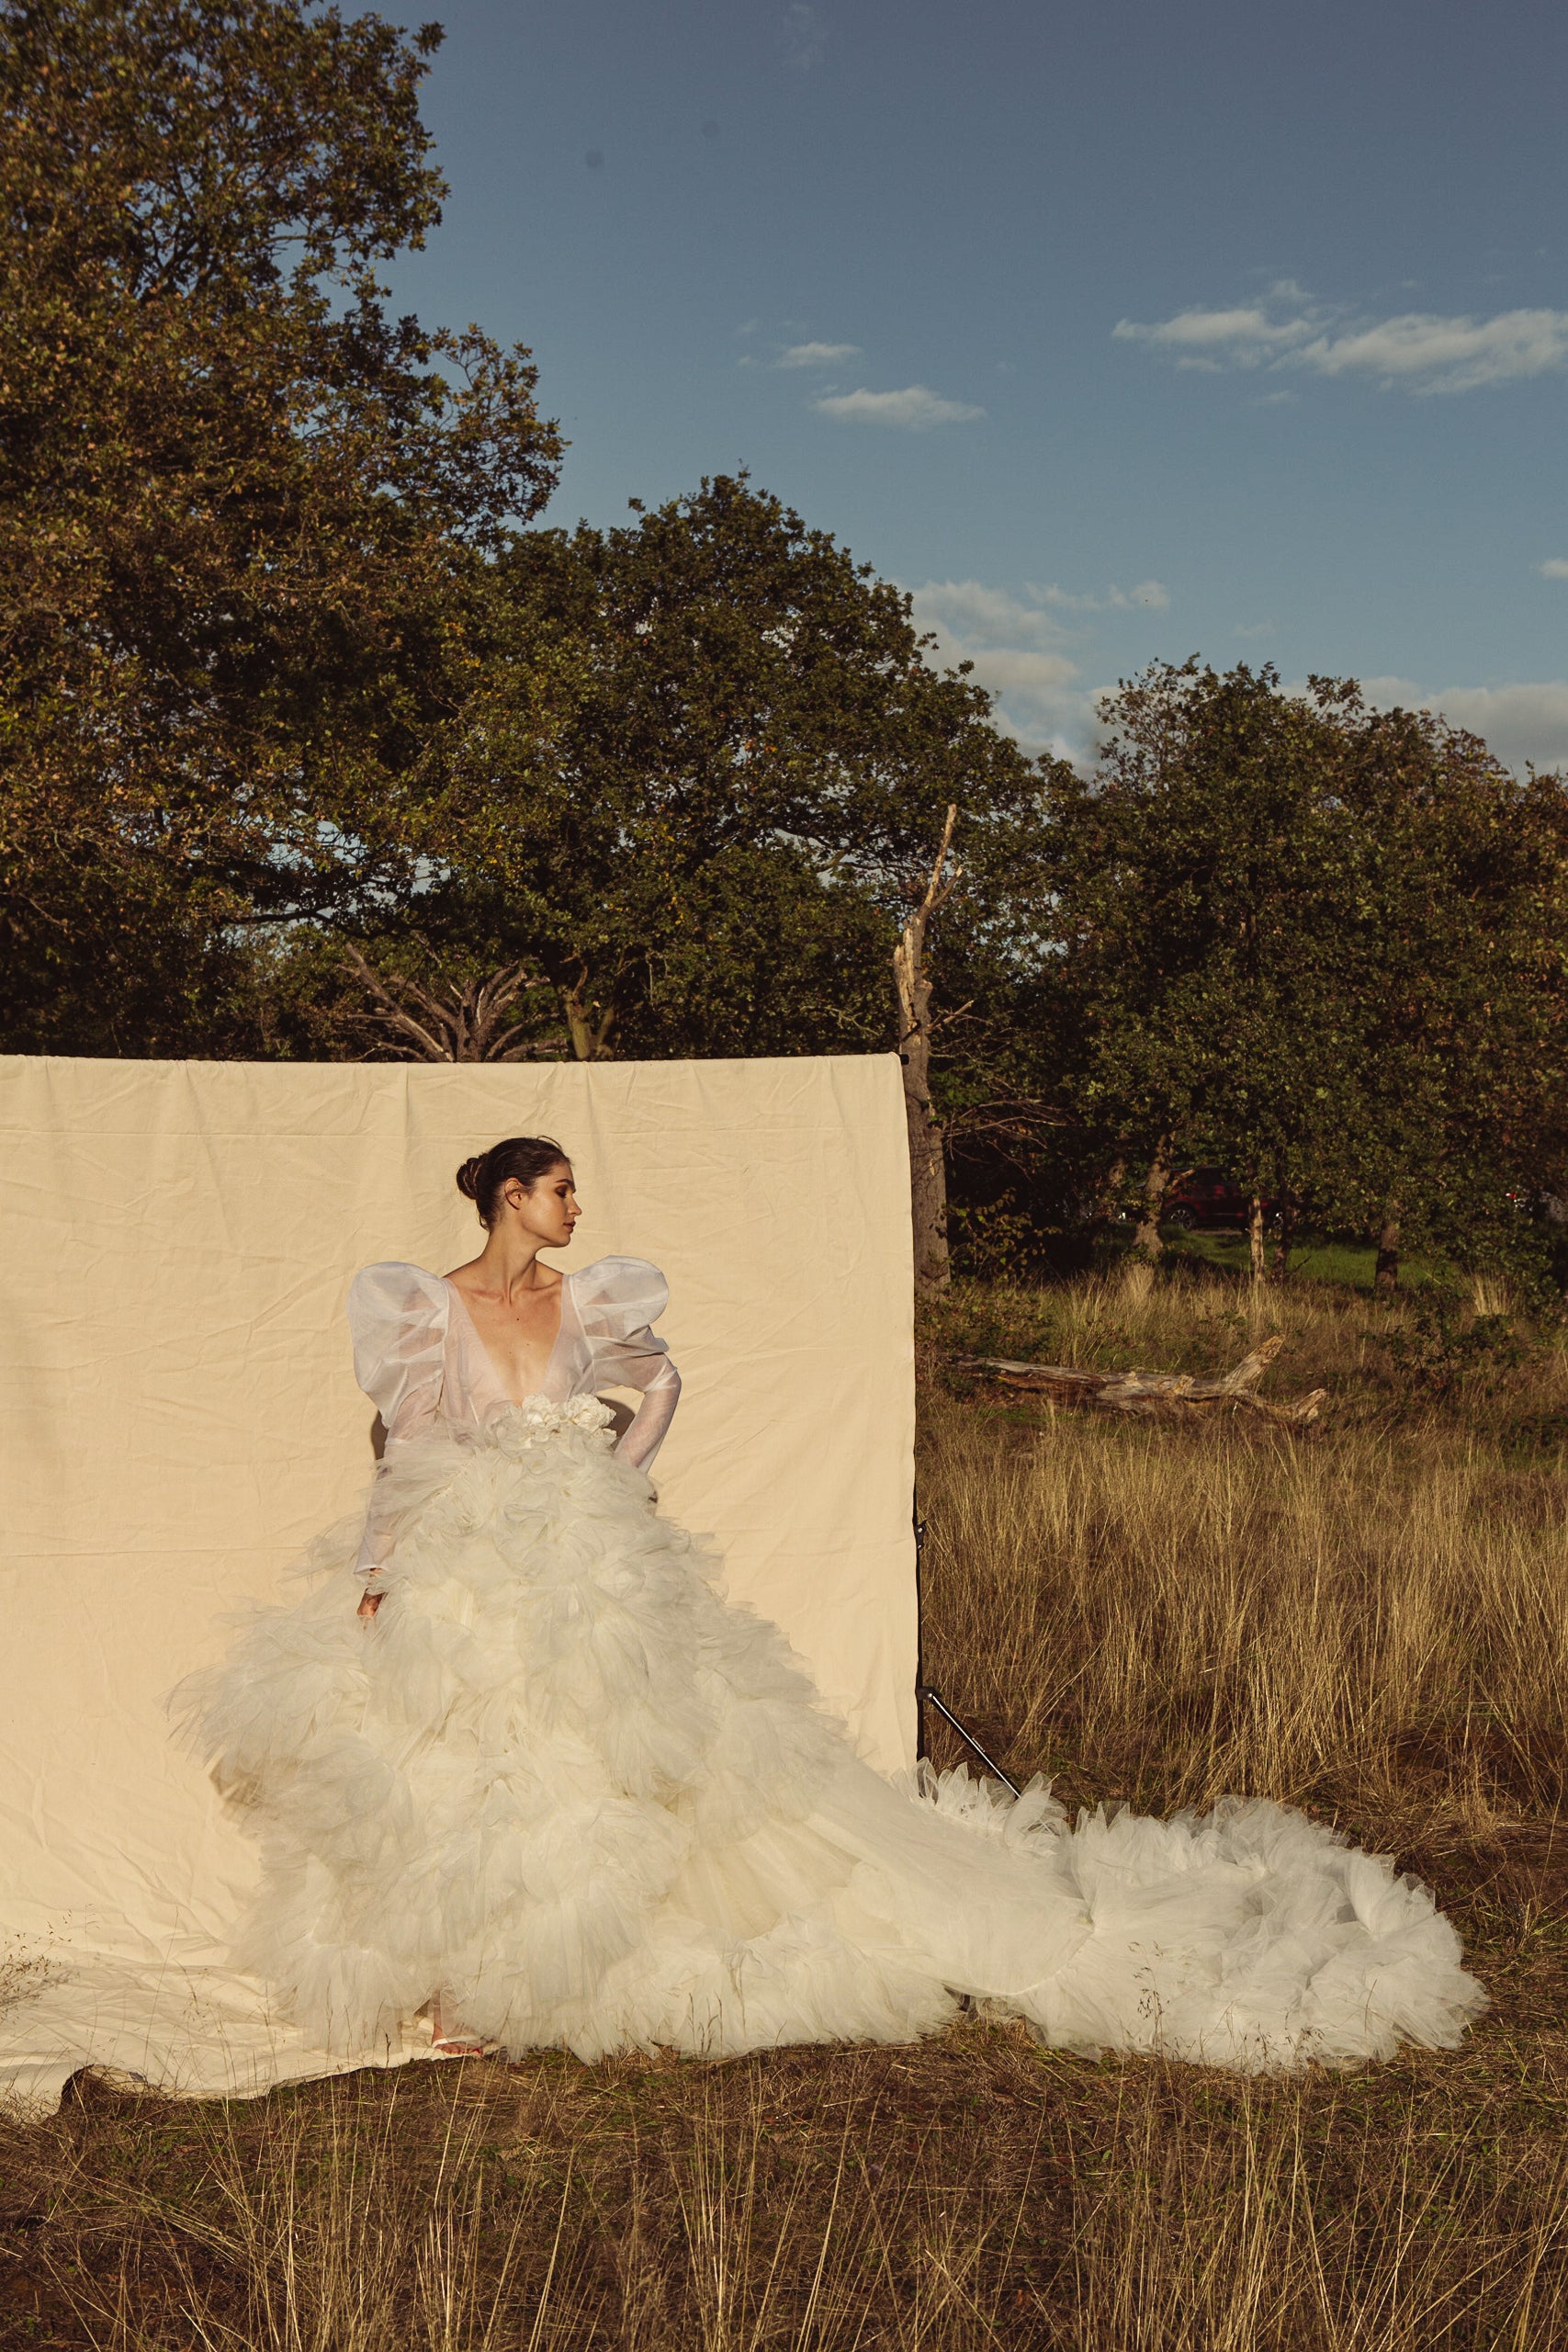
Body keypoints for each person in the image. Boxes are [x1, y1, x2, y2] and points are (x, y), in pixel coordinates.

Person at [176, 1136, 1483, 2069]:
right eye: (562, 1189)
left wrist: (598, 1465)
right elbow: (406, 1449)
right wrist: (374, 1572)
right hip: (472, 1552)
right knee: (470, 1760)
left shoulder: (589, 1302)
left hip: (583, 1552)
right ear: (513, 1196)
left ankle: (554, 1972)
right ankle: (470, 1979)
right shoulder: (433, 1308)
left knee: (613, 1757)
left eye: (578, 1192)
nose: (579, 1208)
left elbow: (666, 1390)